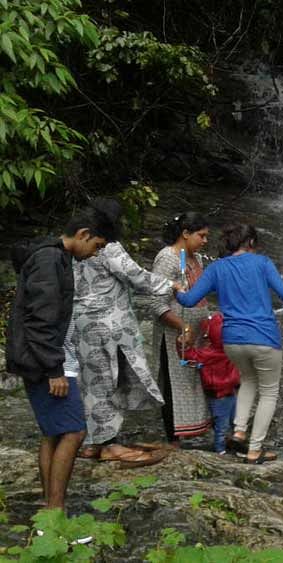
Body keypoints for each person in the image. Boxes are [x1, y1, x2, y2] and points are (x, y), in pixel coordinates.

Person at [176, 223, 283, 464]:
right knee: (269, 392)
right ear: (251, 243)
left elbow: (189, 300)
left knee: (248, 381)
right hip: (264, 338)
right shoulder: (262, 263)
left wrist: (177, 290)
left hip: (232, 341)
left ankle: (240, 430)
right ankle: (254, 449)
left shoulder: (217, 268)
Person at [5, 202, 115, 511]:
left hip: (41, 360)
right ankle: (55, 513)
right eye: (97, 245)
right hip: (46, 363)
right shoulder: (50, 260)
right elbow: (40, 321)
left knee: (53, 432)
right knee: (74, 430)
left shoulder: (54, 256)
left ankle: (49, 509)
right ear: (83, 234)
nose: (96, 252)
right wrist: (55, 369)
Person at [72, 200, 181, 466]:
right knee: (107, 380)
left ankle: (90, 442)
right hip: (108, 324)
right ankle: (107, 444)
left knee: (90, 381)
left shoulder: (76, 247)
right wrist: (171, 285)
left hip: (80, 322)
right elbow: (136, 277)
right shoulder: (107, 245)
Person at [150, 212, 213, 447]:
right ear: (185, 234)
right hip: (174, 334)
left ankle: (194, 431)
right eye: (202, 235)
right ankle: (173, 441)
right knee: (172, 383)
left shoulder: (196, 259)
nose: (205, 240)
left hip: (195, 333)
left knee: (194, 381)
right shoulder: (167, 258)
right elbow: (155, 302)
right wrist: (182, 326)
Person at [178, 313, 240, 454]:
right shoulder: (232, 348)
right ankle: (226, 448)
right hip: (227, 391)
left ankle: (222, 449)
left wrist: (183, 345)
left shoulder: (210, 353)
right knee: (231, 422)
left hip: (219, 393)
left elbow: (190, 357)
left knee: (222, 424)